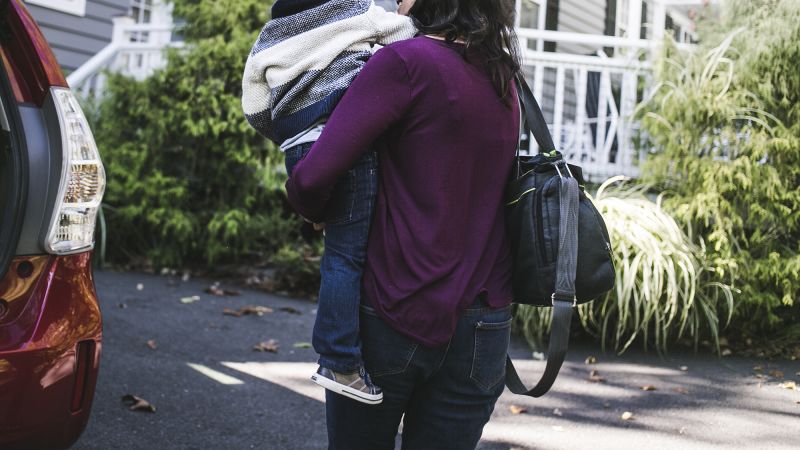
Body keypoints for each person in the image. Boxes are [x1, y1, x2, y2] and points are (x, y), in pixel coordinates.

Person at [285, 0, 522, 447]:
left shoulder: (403, 63)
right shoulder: (502, 74)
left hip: (396, 307)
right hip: (484, 322)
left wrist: (311, 206)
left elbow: (313, 177)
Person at [241, 0, 416, 405]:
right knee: (348, 255)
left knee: (337, 249)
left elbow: (255, 108)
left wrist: (287, 133)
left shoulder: (271, 34)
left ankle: (342, 351)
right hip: (345, 140)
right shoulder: (355, 10)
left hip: (299, 150)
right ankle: (339, 360)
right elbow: (408, 37)